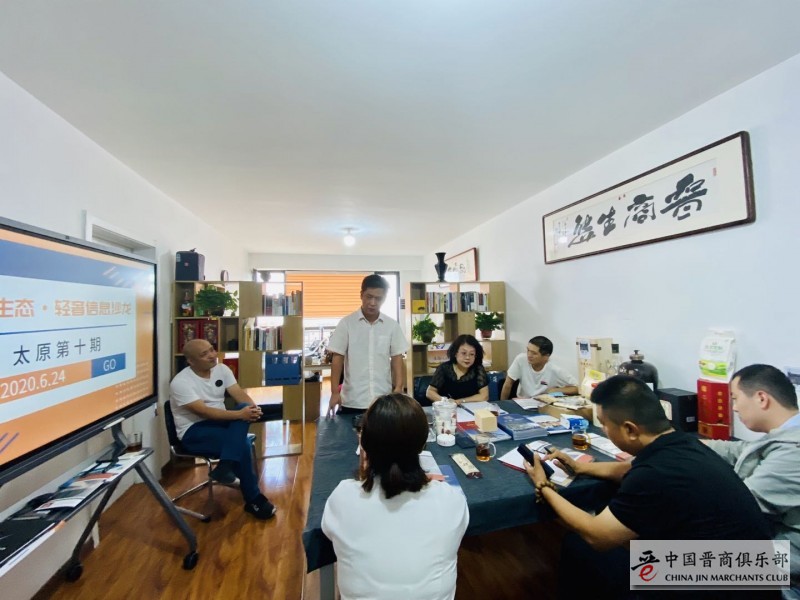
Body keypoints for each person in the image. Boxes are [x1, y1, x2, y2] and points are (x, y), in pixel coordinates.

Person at [525, 375, 773, 597]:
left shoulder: (654, 474)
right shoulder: (683, 442)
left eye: (604, 424)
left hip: (722, 582)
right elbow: (627, 469)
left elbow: (597, 535)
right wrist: (580, 467)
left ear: (630, 429)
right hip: (752, 569)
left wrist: (544, 486)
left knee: (580, 546)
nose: (604, 430)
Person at [322, 393, 469, 600]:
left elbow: (330, 533)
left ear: (364, 444)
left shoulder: (343, 498)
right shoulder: (450, 500)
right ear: (423, 445)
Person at [704, 364, 800, 599]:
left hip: (788, 562)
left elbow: (742, 507)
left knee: (664, 565)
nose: (734, 407)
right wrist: (681, 443)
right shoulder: (786, 434)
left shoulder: (793, 451)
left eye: (735, 398)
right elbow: (739, 450)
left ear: (761, 398)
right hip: (777, 544)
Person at [169, 338, 276, 520]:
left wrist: (253, 409)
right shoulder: (180, 382)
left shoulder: (222, 369)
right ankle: (254, 499)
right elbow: (204, 412)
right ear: (191, 361)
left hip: (221, 423)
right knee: (242, 444)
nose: (212, 355)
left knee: (244, 407)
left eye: (212, 350)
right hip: (193, 431)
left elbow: (239, 394)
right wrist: (240, 415)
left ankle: (225, 465)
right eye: (204, 354)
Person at [327, 274, 408, 415]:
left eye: (378, 298)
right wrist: (334, 392)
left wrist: (399, 388)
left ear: (384, 299)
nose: (373, 303)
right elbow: (337, 358)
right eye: (369, 297)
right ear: (361, 295)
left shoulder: (391, 325)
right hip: (353, 399)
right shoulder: (346, 324)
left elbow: (397, 357)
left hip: (383, 398)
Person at [499, 335, 577, 399]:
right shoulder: (521, 360)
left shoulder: (555, 369)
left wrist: (556, 390)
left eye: (534, 353)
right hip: (522, 402)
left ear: (546, 356)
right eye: (528, 350)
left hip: (542, 405)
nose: (529, 355)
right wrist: (502, 405)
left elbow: (577, 388)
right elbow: (508, 384)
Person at [426, 334, 488, 405]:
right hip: (446, 408)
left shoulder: (478, 369)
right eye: (464, 353)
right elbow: (430, 392)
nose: (467, 357)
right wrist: (446, 401)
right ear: (455, 353)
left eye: (471, 354)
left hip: (471, 409)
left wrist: (460, 401)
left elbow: (484, 396)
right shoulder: (444, 368)